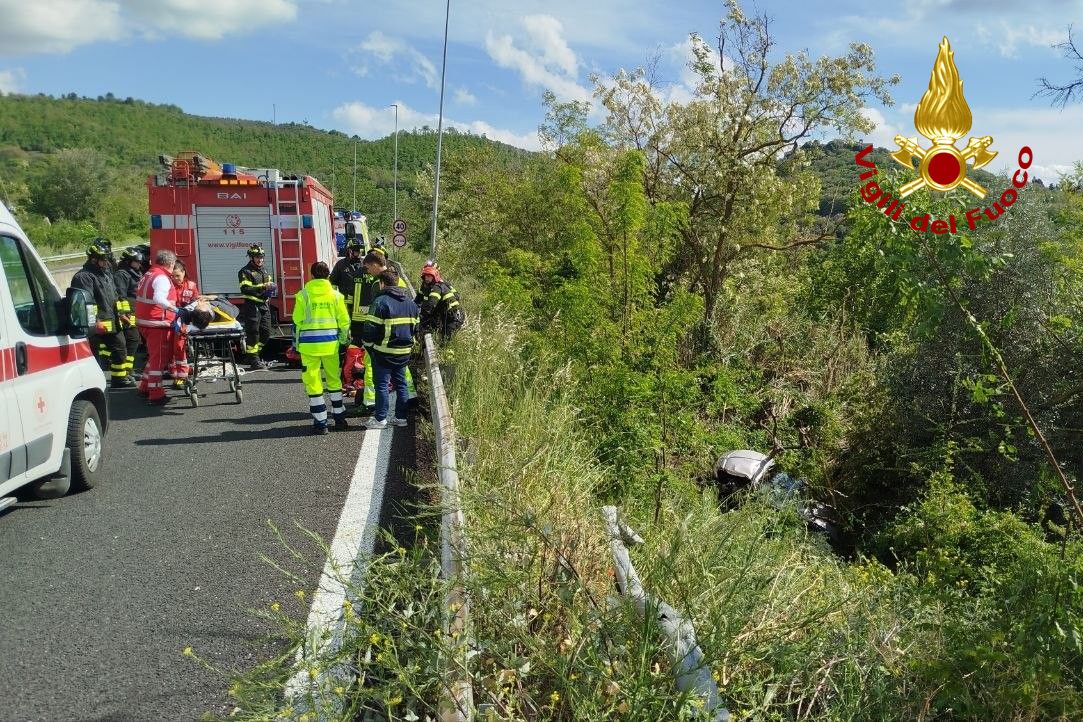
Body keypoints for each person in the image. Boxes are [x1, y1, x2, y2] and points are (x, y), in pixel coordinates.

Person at [292, 261, 350, 434]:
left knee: (313, 382)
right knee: (334, 380)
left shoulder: (303, 295)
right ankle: (339, 418)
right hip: (331, 345)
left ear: (311, 275)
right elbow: (344, 322)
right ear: (328, 275)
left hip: (309, 346)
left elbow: (297, 319)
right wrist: (341, 339)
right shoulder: (336, 295)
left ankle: (321, 423)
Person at [356, 252, 417, 412]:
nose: (368, 271)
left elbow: (378, 314)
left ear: (375, 264)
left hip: (385, 340)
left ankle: (372, 404)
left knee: (374, 372)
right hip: (402, 338)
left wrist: (369, 344)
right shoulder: (397, 277)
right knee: (402, 375)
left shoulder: (380, 283)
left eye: (368, 267)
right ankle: (408, 399)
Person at [71, 241, 132, 388]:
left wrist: (122, 313)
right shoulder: (84, 277)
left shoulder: (105, 274)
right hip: (96, 324)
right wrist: (95, 321)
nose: (106, 262)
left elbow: (115, 295)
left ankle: (119, 379)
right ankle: (93, 383)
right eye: (103, 259)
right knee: (93, 354)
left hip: (113, 319)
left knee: (120, 348)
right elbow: (87, 302)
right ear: (94, 259)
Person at [135, 249, 180, 405]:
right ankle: (156, 394)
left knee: (154, 356)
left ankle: (145, 387)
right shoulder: (161, 278)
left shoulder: (149, 274)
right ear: (170, 263)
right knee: (159, 360)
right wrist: (176, 310)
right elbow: (159, 299)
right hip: (157, 323)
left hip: (145, 322)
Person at [238, 244, 277, 369]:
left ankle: (253, 355)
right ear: (251, 257)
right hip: (252, 305)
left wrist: (271, 289)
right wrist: (263, 287)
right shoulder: (245, 271)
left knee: (266, 333)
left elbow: (268, 285)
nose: (260, 259)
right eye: (257, 257)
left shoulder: (264, 271)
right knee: (253, 333)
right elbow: (245, 289)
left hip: (264, 305)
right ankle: (254, 360)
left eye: (261, 257)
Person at [113, 247, 145, 383]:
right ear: (128, 261)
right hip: (129, 311)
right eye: (136, 262)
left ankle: (129, 370)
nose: (139, 264)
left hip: (136, 309)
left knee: (135, 340)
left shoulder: (135, 273)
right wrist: (123, 313)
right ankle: (125, 371)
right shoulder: (122, 274)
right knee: (132, 339)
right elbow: (121, 295)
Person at [329, 237, 367, 345]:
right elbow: (333, 283)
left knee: (359, 333)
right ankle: (343, 346)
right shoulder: (341, 265)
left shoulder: (364, 265)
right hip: (344, 305)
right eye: (355, 250)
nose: (358, 252)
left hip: (360, 306)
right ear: (349, 250)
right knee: (344, 328)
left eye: (359, 250)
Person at [416, 262, 465, 343]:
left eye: (429, 276)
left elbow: (430, 305)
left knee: (445, 341)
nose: (427, 279)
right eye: (425, 276)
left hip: (453, 317)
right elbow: (419, 300)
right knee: (441, 337)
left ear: (434, 276)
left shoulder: (437, 287)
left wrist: (420, 319)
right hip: (447, 315)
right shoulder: (429, 286)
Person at [169, 260, 199, 388]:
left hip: (184, 322)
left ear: (183, 272)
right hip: (170, 321)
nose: (175, 279)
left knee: (180, 348)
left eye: (178, 276)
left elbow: (196, 301)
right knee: (171, 350)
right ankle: (175, 374)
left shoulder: (191, 286)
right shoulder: (168, 286)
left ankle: (182, 376)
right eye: (173, 276)